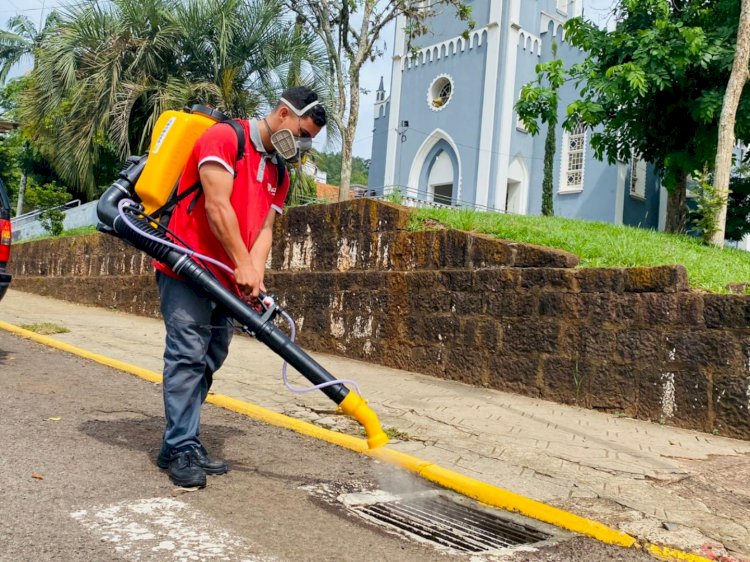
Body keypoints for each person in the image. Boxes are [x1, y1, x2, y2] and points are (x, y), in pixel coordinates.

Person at [153, 87, 327, 488]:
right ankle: (182, 445)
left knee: (211, 357)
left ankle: (176, 441)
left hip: (228, 280)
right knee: (186, 355)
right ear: (283, 113)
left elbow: (264, 230)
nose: (302, 145)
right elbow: (217, 206)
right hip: (187, 265)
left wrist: (256, 275)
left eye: (309, 142)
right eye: (302, 133)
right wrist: (242, 264)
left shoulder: (280, 172)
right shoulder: (224, 139)